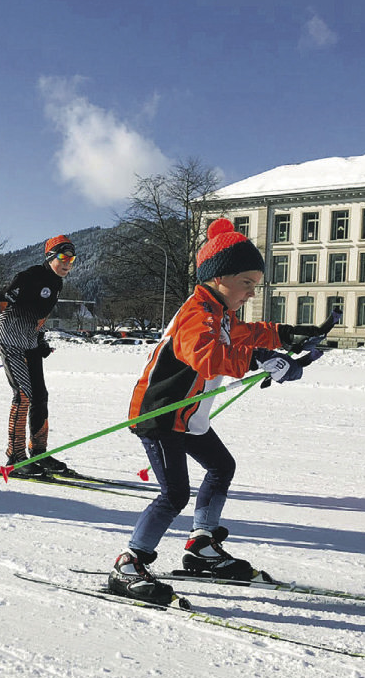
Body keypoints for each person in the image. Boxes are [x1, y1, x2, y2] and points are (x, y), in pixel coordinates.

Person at [109, 218, 331, 605]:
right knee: (174, 493)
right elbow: (208, 355)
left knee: (221, 466)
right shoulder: (197, 313)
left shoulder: (220, 313)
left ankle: (201, 546)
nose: (250, 293)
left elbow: (246, 334)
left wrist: (289, 334)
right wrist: (262, 359)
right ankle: (129, 562)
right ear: (218, 276)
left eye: (255, 286)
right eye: (246, 283)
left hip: (189, 417)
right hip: (160, 416)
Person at [0, 235, 76, 477]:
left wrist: (41, 340)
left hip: (29, 341)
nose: (67, 263)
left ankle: (39, 453)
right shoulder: (30, 277)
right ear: (50, 256)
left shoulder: (56, 284)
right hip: (9, 339)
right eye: (63, 257)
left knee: (40, 396)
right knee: (23, 395)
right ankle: (15, 456)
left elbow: (38, 315)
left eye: (71, 259)